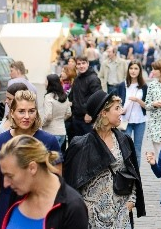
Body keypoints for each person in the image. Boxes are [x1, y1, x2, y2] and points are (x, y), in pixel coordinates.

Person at [63, 90, 146, 228]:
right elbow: (70, 182)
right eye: (117, 108)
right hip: (93, 219)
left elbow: (132, 173)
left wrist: (131, 201)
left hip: (121, 214)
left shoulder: (124, 140)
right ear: (104, 113)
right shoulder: (81, 145)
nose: (122, 111)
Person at [0, 89, 61, 229]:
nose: (27, 116)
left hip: (40, 212)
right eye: (21, 111)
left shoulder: (49, 142)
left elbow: (58, 184)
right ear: (11, 113)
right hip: (6, 210)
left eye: (31, 111)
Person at [0, 135, 89, 228]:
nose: (5, 184)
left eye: (10, 176)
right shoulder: (18, 193)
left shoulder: (73, 207)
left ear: (32, 168)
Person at [121, 61, 149, 167]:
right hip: (125, 121)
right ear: (128, 70)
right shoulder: (122, 85)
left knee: (137, 149)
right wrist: (120, 110)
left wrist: (138, 100)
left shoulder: (144, 86)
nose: (133, 71)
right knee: (125, 148)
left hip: (140, 121)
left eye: (136, 68)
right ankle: (126, 173)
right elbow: (116, 101)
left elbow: (147, 105)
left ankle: (136, 174)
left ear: (140, 71)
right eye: (131, 68)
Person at [69, 55, 103, 138]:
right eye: (79, 64)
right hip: (76, 118)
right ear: (76, 65)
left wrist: (90, 113)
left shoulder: (93, 79)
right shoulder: (77, 79)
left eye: (83, 63)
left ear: (88, 63)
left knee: (88, 146)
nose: (81, 66)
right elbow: (71, 96)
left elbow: (98, 98)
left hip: (87, 119)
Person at [42, 74, 72, 152]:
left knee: (49, 158)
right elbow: (69, 113)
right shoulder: (64, 96)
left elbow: (48, 116)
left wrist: (42, 124)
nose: (44, 83)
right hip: (62, 132)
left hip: (50, 132)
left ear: (50, 83)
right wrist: (60, 119)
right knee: (57, 157)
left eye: (46, 81)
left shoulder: (48, 97)